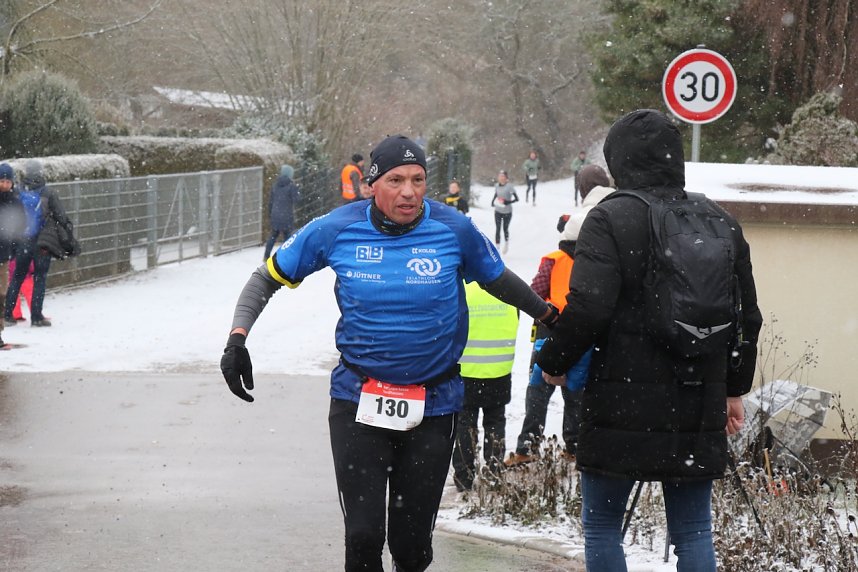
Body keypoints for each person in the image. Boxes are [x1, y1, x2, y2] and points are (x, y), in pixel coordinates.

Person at [220, 135, 558, 572]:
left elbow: (498, 279)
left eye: (418, 179)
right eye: (396, 180)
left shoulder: (453, 228)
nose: (409, 191)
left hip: (434, 404)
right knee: (363, 538)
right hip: (358, 400)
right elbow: (265, 278)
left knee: (412, 546)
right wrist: (237, 338)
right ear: (371, 186)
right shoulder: (335, 228)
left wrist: (550, 317)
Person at [537, 109, 763, 571]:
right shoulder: (719, 220)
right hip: (698, 399)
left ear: (618, 162)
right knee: (695, 530)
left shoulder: (610, 218)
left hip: (621, 400)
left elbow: (589, 308)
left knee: (602, 524)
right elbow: (747, 318)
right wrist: (734, 389)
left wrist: (554, 359)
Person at [505, 212, 596, 467]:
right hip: (583, 333)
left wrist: (549, 312)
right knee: (575, 393)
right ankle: (574, 447)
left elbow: (535, 293)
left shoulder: (553, 261)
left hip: (550, 331)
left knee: (538, 391)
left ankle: (527, 447)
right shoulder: (595, 261)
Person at [451, 281, 519, 492]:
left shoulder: (461, 289)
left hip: (467, 370)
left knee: (465, 424)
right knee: (495, 423)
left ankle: (464, 477)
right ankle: (493, 474)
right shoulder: (508, 290)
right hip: (499, 370)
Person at [5, 159, 73, 328]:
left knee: (17, 277)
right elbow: (61, 217)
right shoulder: (48, 193)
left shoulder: (18, 191)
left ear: (25, 173)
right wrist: (66, 232)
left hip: (22, 240)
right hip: (43, 242)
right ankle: (36, 317)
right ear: (40, 172)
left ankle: (7, 314)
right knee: (40, 278)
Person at [0, 163, 26, 347]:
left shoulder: (15, 202)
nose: (4, 184)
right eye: (1, 180)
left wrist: (15, 247)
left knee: (2, 295)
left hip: (3, 256)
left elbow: (19, 227)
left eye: (7, 181)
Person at [263, 164, 300, 260]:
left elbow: (271, 202)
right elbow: (297, 199)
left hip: (275, 214)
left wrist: (270, 214)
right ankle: (286, 256)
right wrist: (297, 189)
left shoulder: (275, 185)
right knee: (288, 237)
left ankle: (266, 255)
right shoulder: (291, 186)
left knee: (273, 235)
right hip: (286, 215)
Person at [490, 170, 518, 253]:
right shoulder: (496, 186)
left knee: (505, 228)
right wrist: (492, 201)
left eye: (503, 176)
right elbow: (496, 194)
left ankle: (506, 243)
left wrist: (508, 202)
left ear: (506, 178)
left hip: (507, 212)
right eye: (500, 176)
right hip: (498, 210)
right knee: (498, 228)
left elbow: (517, 199)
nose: (501, 178)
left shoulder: (510, 187)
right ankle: (497, 248)